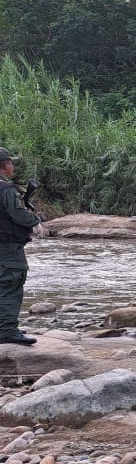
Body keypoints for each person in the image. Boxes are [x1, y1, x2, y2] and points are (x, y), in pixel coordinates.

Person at [0, 148, 41, 346]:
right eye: (11, 162)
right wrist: (35, 220)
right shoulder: (6, 189)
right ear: (5, 164)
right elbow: (18, 215)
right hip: (7, 248)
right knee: (11, 284)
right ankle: (6, 330)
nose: (12, 166)